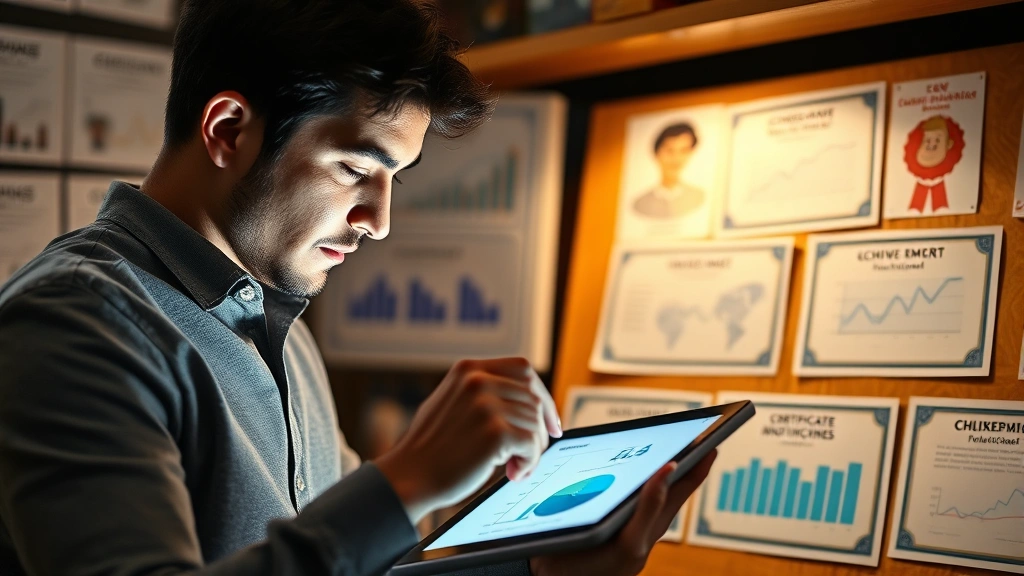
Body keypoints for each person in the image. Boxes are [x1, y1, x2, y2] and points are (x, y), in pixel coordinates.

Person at [0, 2, 715, 575]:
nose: (379, 222)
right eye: (353, 169)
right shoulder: (73, 323)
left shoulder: (275, 323)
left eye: (392, 180)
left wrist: (539, 571)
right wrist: (404, 481)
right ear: (227, 129)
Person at [632, 122, 705, 219]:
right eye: (670, 150)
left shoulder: (699, 197)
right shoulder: (640, 204)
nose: (676, 159)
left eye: (683, 151)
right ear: (656, 153)